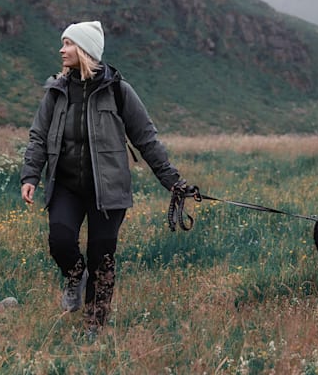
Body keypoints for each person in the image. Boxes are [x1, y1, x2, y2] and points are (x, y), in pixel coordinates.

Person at [20, 20, 193, 335]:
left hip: (109, 191)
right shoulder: (56, 91)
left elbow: (146, 139)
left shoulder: (118, 91)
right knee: (60, 243)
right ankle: (75, 277)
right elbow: (38, 137)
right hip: (66, 187)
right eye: (63, 43)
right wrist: (30, 174)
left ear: (85, 50)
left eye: (69, 43)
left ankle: (93, 327)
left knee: (102, 259)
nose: (62, 49)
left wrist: (173, 181)